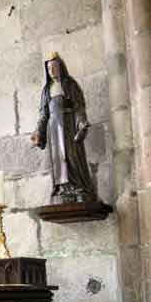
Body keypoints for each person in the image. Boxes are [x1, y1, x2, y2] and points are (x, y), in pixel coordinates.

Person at [31, 52, 96, 203]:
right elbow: (43, 115)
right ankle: (61, 187)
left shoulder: (69, 84)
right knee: (57, 157)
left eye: (54, 67)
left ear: (60, 67)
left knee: (72, 155)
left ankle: (78, 185)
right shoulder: (46, 90)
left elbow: (79, 106)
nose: (51, 71)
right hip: (53, 127)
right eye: (48, 68)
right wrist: (38, 132)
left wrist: (81, 122)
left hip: (68, 124)